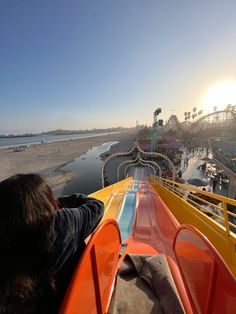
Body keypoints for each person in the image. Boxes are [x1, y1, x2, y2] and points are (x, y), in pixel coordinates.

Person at [0, 173, 104, 313]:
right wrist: (51, 203)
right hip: (72, 301)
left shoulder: (6, 238)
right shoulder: (60, 224)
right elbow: (96, 206)